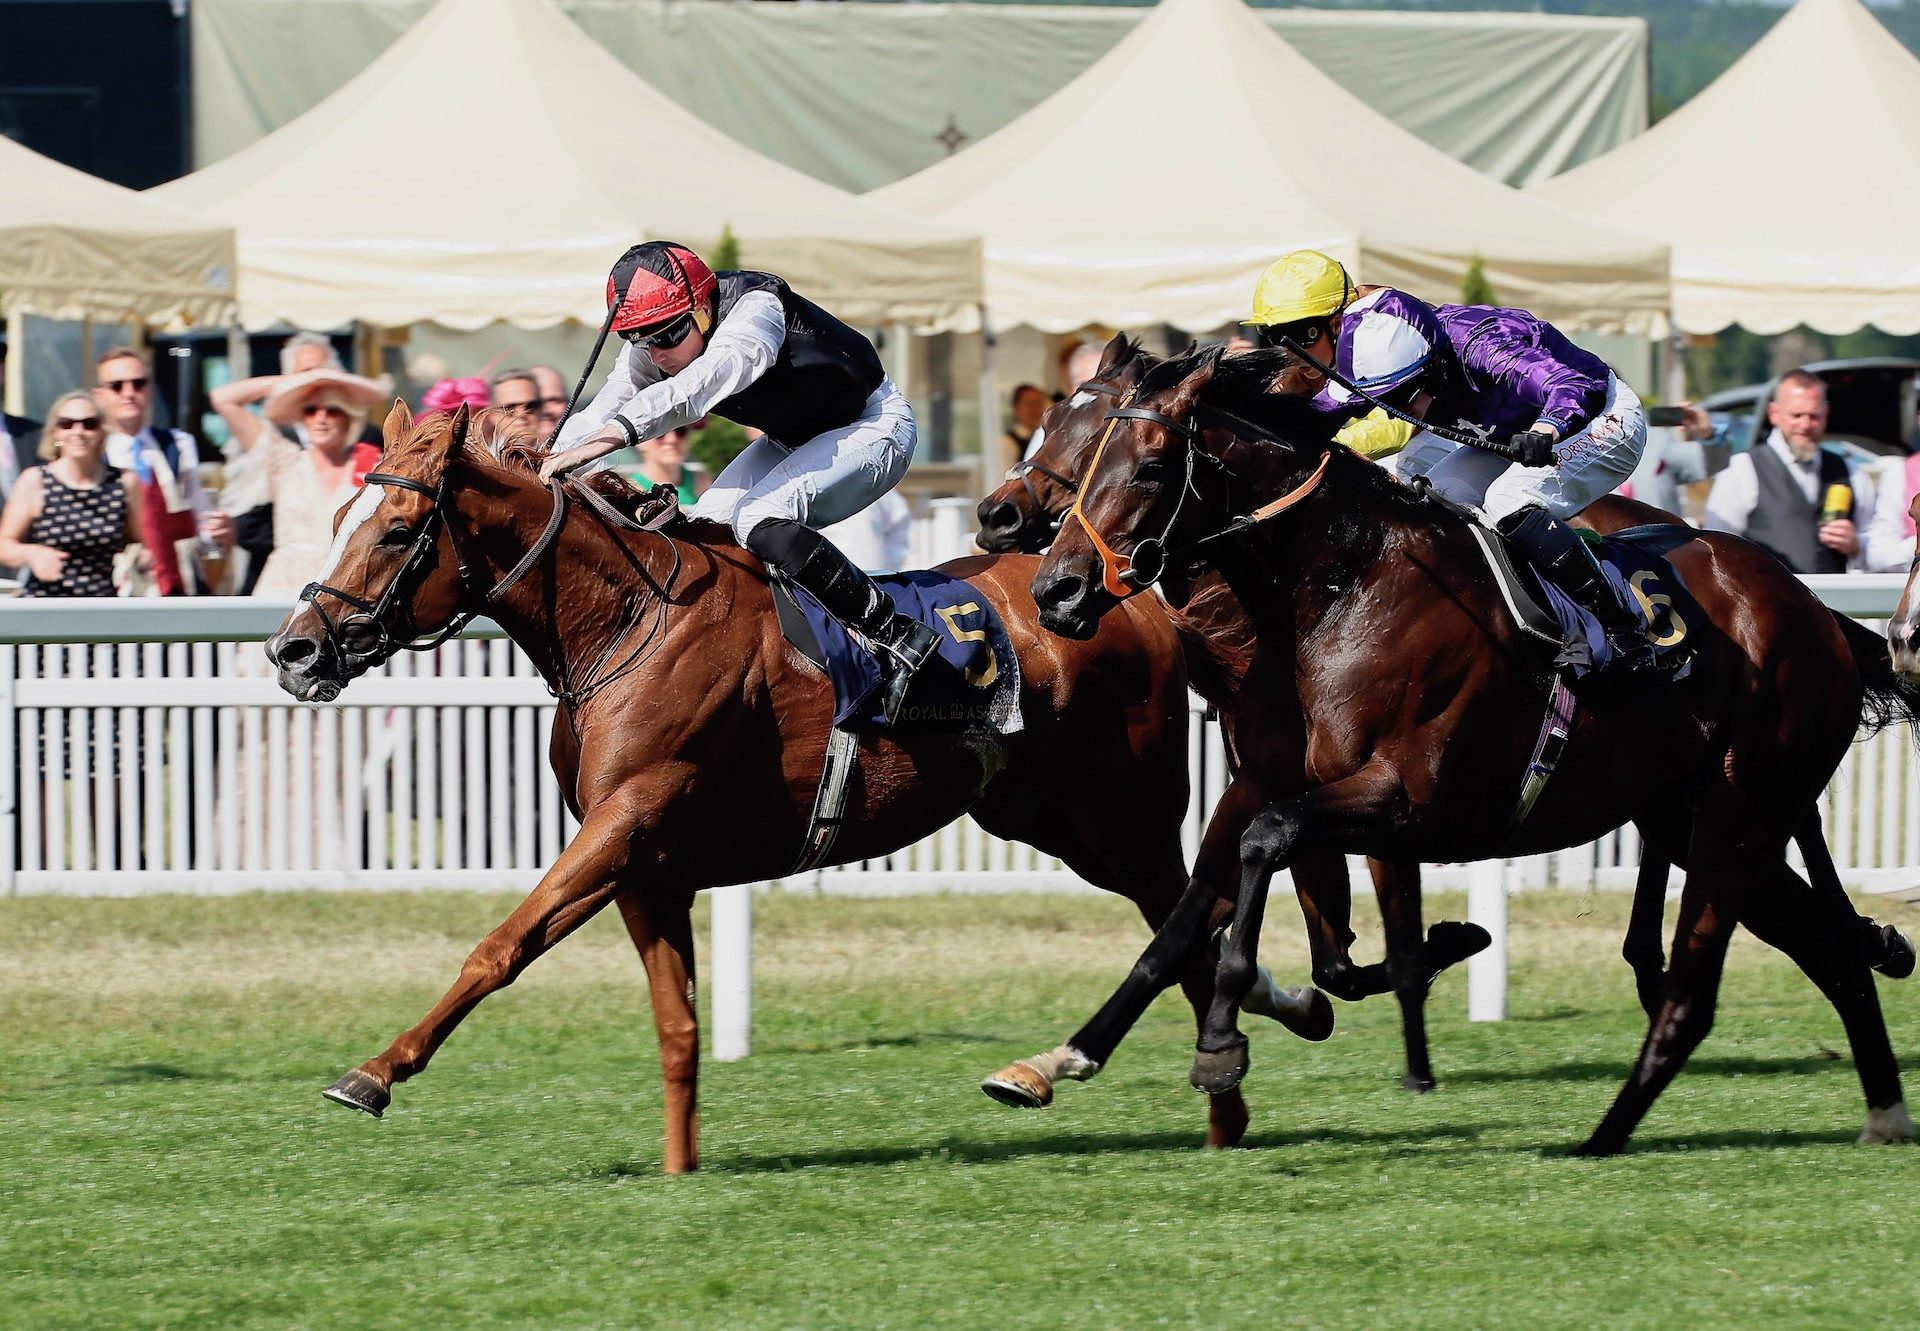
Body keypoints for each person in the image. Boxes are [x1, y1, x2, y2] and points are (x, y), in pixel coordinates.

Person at [542, 241, 938, 722]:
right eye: (642, 340)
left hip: (872, 425)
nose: (658, 354)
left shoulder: (756, 307)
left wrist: (614, 438)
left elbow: (702, 383)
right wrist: (540, 460)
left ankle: (900, 638)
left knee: (758, 517)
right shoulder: (653, 347)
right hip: (793, 438)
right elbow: (601, 411)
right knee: (700, 534)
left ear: (704, 308)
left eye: (669, 334)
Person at [1246, 249, 1656, 671]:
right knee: (1435, 500)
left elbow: (1573, 384)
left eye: (1408, 393)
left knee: (1509, 501)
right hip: (1507, 433)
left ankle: (1621, 628)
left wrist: (1546, 429)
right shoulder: (1370, 345)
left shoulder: (1481, 343)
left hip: (1597, 417)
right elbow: (1312, 421)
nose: (1404, 409)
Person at [223, 367, 388, 598]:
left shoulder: (370, 465)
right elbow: (224, 399)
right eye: (310, 410)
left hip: (345, 593)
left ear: (349, 416)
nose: (320, 419)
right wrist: (298, 381)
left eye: (332, 411)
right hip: (281, 591)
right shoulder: (284, 459)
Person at [1704, 371, 1875, 574]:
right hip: (1766, 600)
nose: (1805, 425)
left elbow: (1875, 542)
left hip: (1832, 602)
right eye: (1796, 415)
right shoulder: (1742, 468)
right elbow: (1717, 546)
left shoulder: (1850, 470)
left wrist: (1856, 545)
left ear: (1826, 413)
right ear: (1774, 413)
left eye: (1814, 416)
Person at [96, 346, 230, 596]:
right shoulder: (96, 454)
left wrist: (218, 534)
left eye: (138, 384)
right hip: (118, 586)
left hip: (180, 581)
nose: (129, 393)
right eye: (117, 386)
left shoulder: (178, 444)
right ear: (100, 395)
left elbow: (199, 516)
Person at [0, 391, 142, 596]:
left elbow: (143, 539)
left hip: (104, 605)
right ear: (54, 433)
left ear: (102, 431)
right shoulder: (36, 481)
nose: (78, 431)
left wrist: (139, 558)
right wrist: (32, 553)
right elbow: (4, 545)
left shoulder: (124, 482)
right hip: (46, 604)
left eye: (89, 424)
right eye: (67, 424)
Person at [610, 422, 709, 506]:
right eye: (660, 432)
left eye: (680, 430)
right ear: (640, 442)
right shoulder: (630, 491)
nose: (672, 440)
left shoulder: (703, 481)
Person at [1000, 383, 1048, 472]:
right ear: (1016, 409)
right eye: (1030, 404)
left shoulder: (1046, 438)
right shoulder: (1007, 443)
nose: (1035, 410)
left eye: (1039, 404)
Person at [529, 365, 571, 441]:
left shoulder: (590, 443)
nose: (546, 411)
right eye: (536, 403)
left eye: (555, 400)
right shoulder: (501, 450)